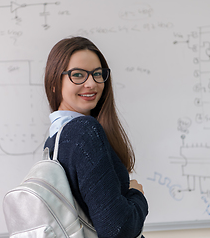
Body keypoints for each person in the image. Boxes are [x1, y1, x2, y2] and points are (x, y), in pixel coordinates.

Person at [43, 36, 148, 238]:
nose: (91, 83)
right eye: (78, 75)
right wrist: (138, 195)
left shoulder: (55, 139)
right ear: (54, 82)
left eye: (97, 74)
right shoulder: (83, 131)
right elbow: (118, 229)